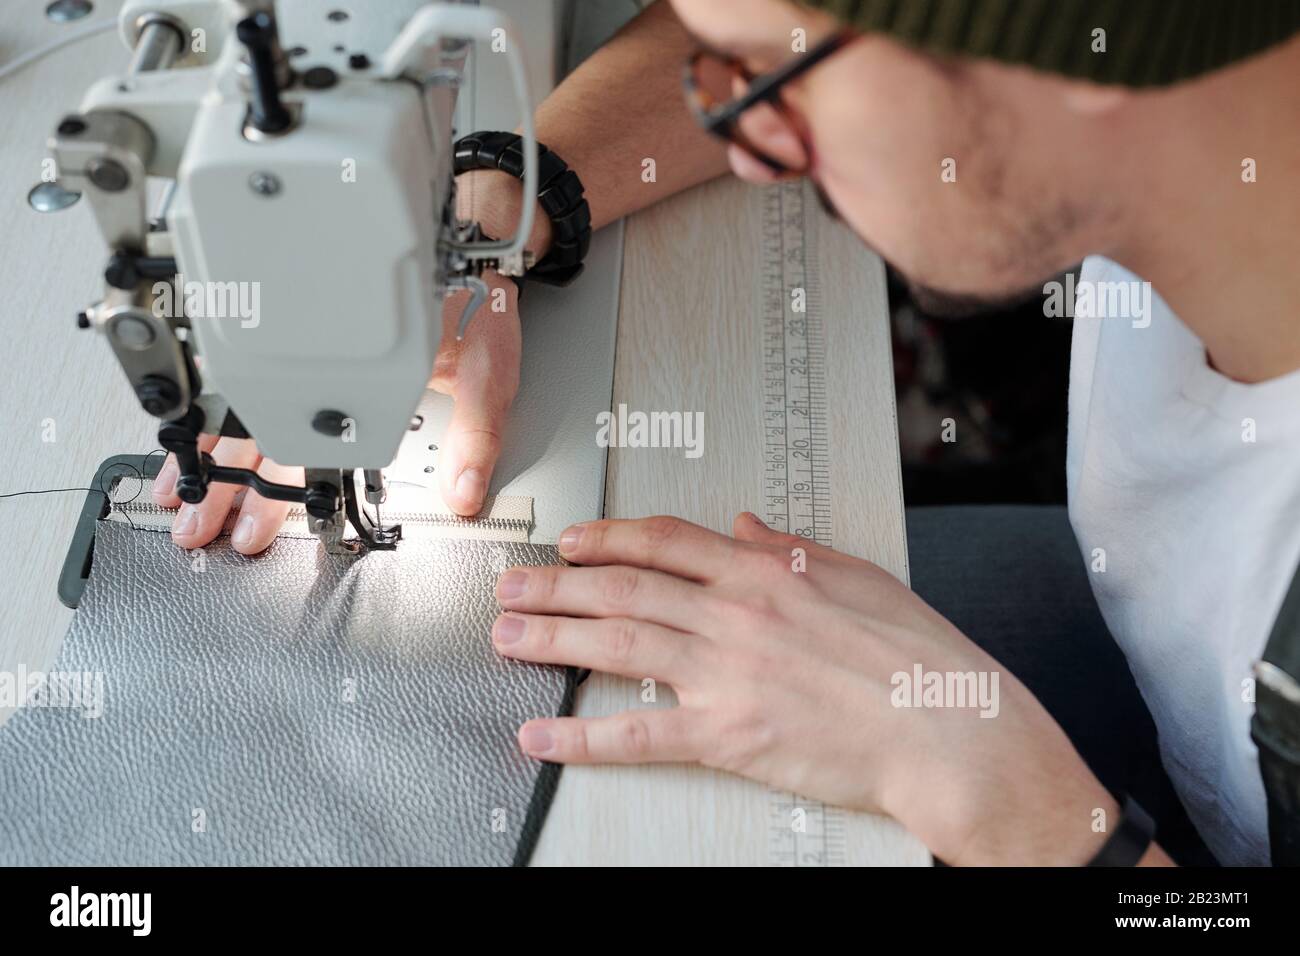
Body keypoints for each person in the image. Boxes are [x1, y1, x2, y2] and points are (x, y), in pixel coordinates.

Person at [151, 0, 1300, 865]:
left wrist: (1009, 793)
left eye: (766, 89)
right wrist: (496, 222)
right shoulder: (1188, 113)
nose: (750, 151)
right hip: (1164, 658)